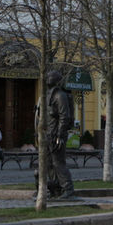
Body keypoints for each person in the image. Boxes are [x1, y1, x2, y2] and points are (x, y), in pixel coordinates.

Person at [44, 69, 76, 200]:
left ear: (56, 80)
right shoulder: (48, 94)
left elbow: (65, 117)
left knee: (58, 163)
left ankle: (68, 189)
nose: (47, 78)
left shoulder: (60, 95)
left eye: (50, 76)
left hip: (56, 135)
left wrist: (60, 136)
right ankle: (55, 188)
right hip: (48, 134)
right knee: (48, 163)